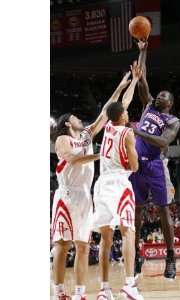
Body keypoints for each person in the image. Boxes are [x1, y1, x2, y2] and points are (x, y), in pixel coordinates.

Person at [50, 71, 132, 300]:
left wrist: (120, 86)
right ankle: (58, 293)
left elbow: (104, 115)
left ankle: (79, 294)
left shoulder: (86, 136)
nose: (80, 119)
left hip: (84, 196)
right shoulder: (62, 139)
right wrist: (101, 157)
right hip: (66, 196)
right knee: (63, 245)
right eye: (75, 117)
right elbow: (73, 159)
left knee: (83, 246)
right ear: (68, 123)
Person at [93, 62, 144, 300]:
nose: (127, 112)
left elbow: (117, 105)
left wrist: (131, 82)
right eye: (125, 112)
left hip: (101, 184)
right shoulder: (127, 132)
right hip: (118, 184)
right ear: (121, 116)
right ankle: (129, 285)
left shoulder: (107, 128)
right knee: (128, 233)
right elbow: (134, 166)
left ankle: (104, 290)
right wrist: (134, 157)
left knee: (105, 237)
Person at [130, 40, 180, 279]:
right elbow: (142, 79)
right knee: (137, 211)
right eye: (158, 93)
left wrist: (138, 130)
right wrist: (143, 50)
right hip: (135, 164)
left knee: (163, 210)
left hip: (154, 164)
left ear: (169, 103)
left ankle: (171, 258)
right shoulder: (148, 105)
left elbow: (163, 143)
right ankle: (137, 255)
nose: (159, 95)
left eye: (163, 95)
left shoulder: (172, 121)